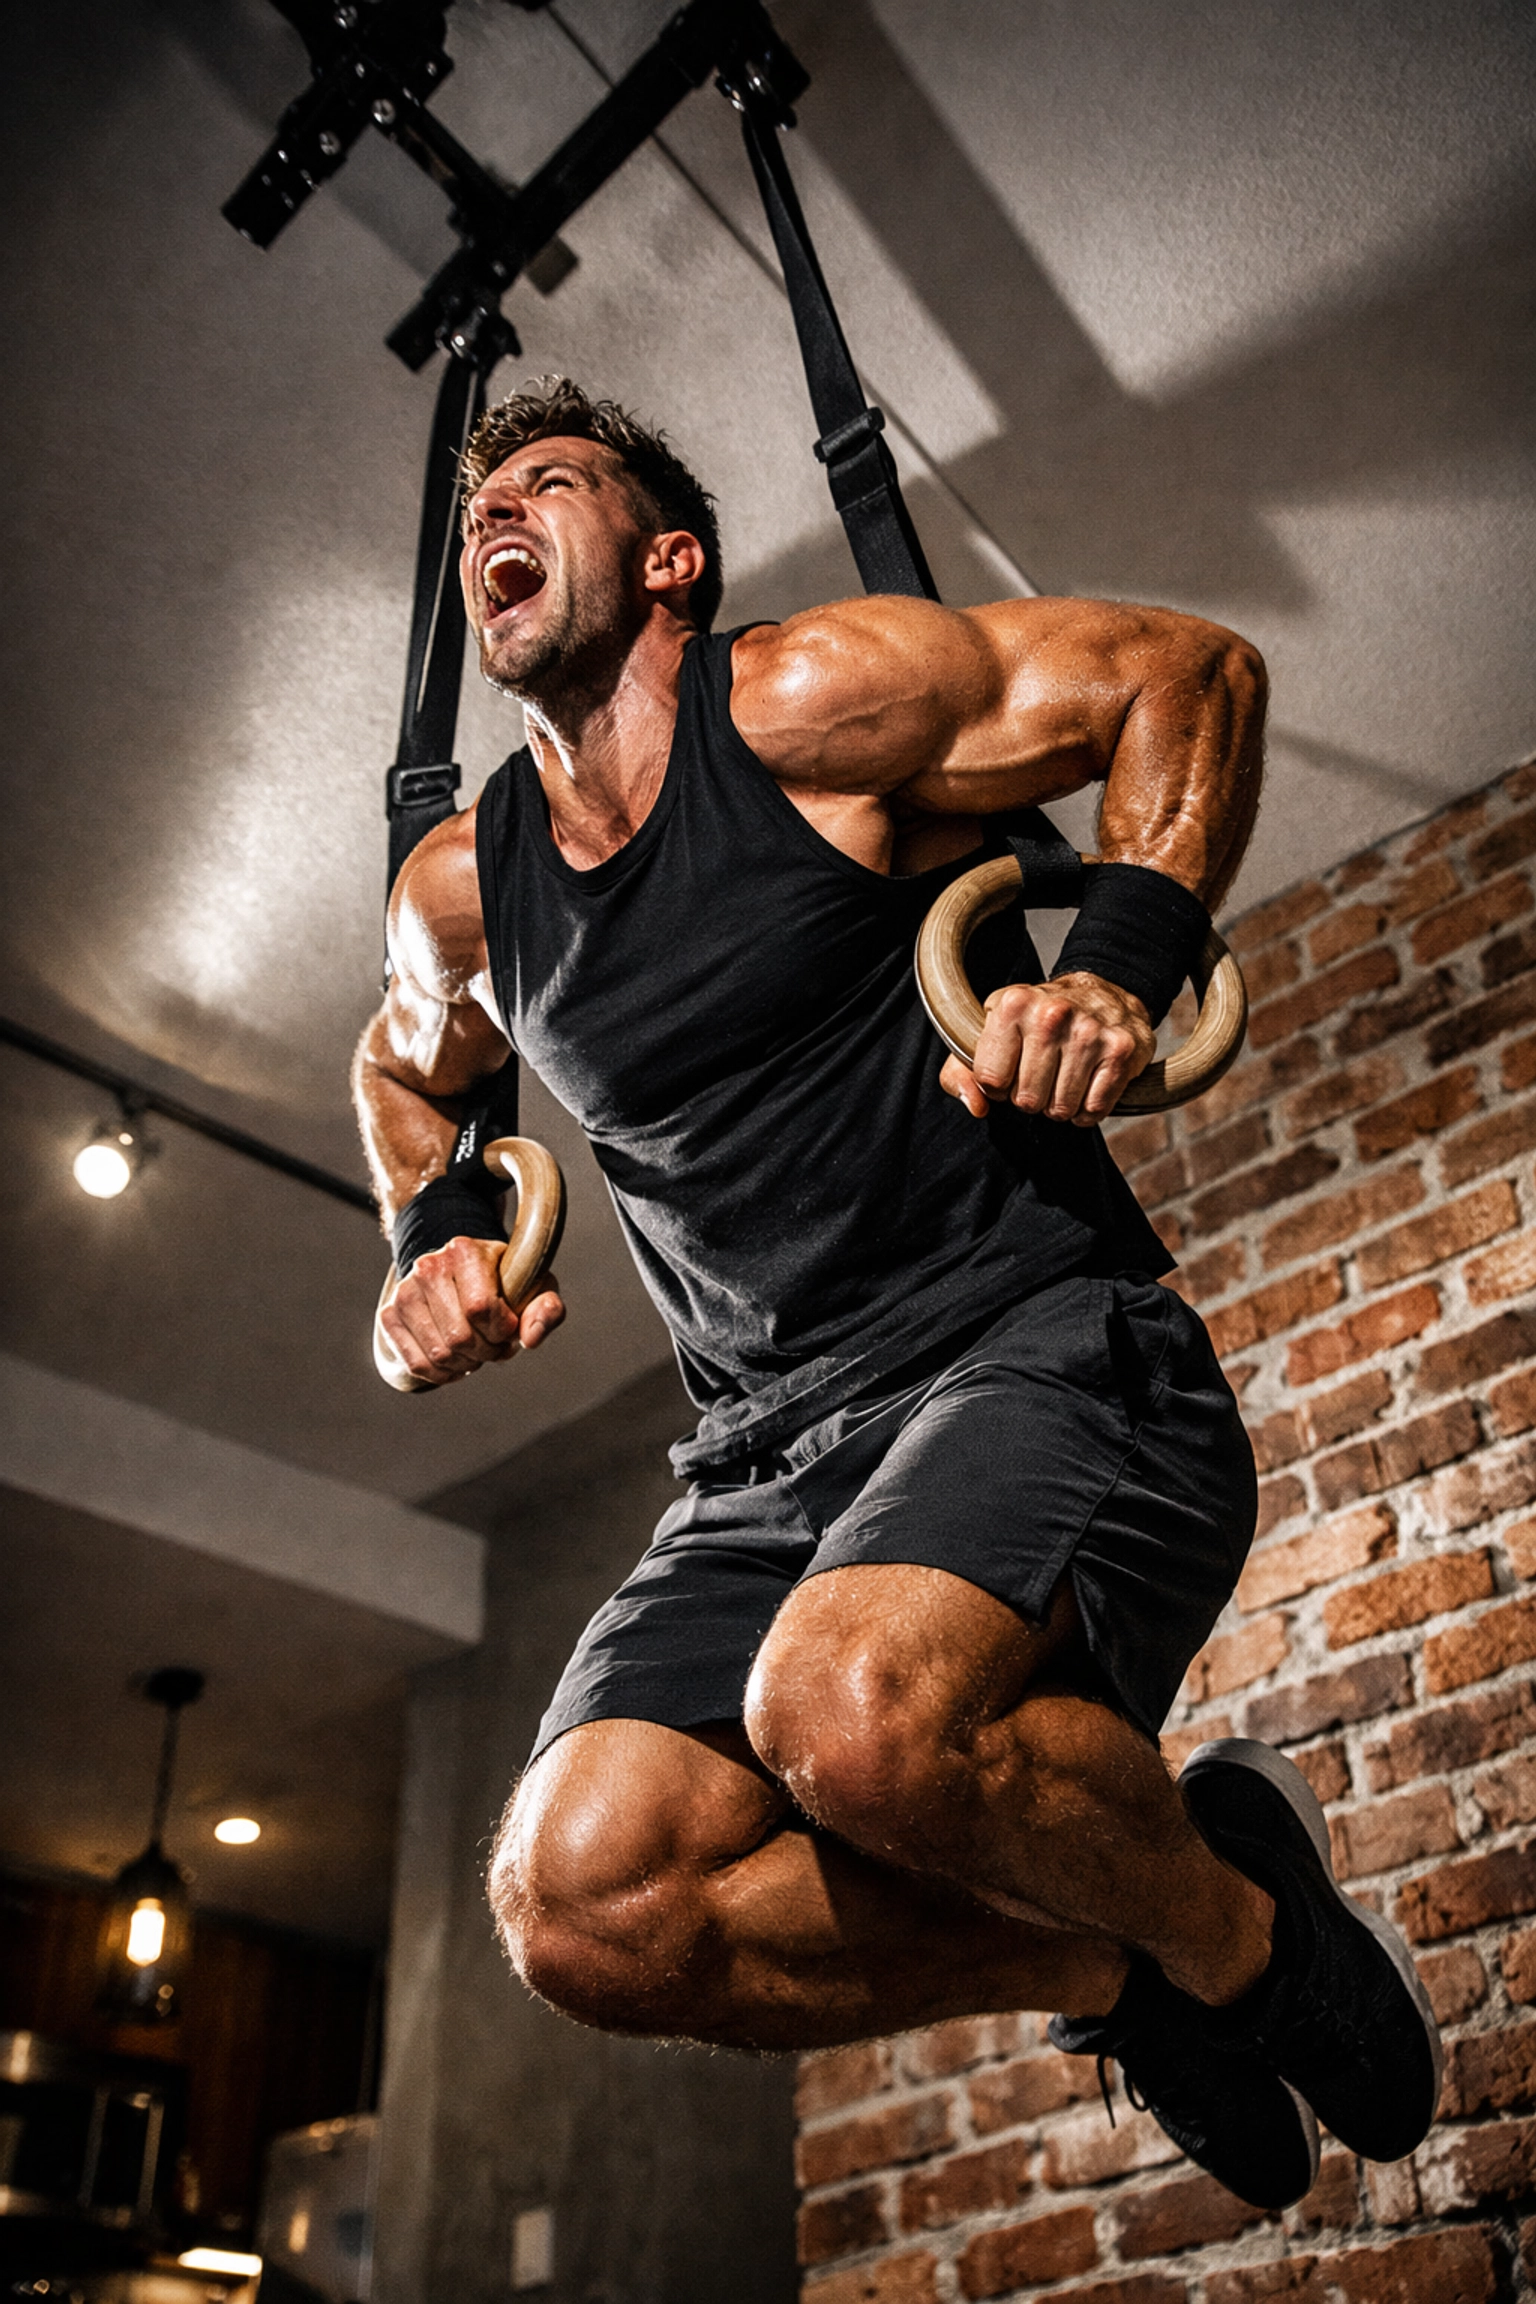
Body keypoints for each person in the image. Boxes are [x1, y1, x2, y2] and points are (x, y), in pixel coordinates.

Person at [353, 379, 1441, 2209]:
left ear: (668, 554)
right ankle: (1133, 1966)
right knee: (583, 1903)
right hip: (763, 1464)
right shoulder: (464, 891)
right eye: (478, 513)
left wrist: (1113, 966)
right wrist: (428, 1240)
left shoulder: (799, 707)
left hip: (1030, 1343)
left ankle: (1258, 1949)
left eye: (546, 485)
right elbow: (402, 1076)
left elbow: (1192, 674)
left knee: (845, 1713)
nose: (494, 523)